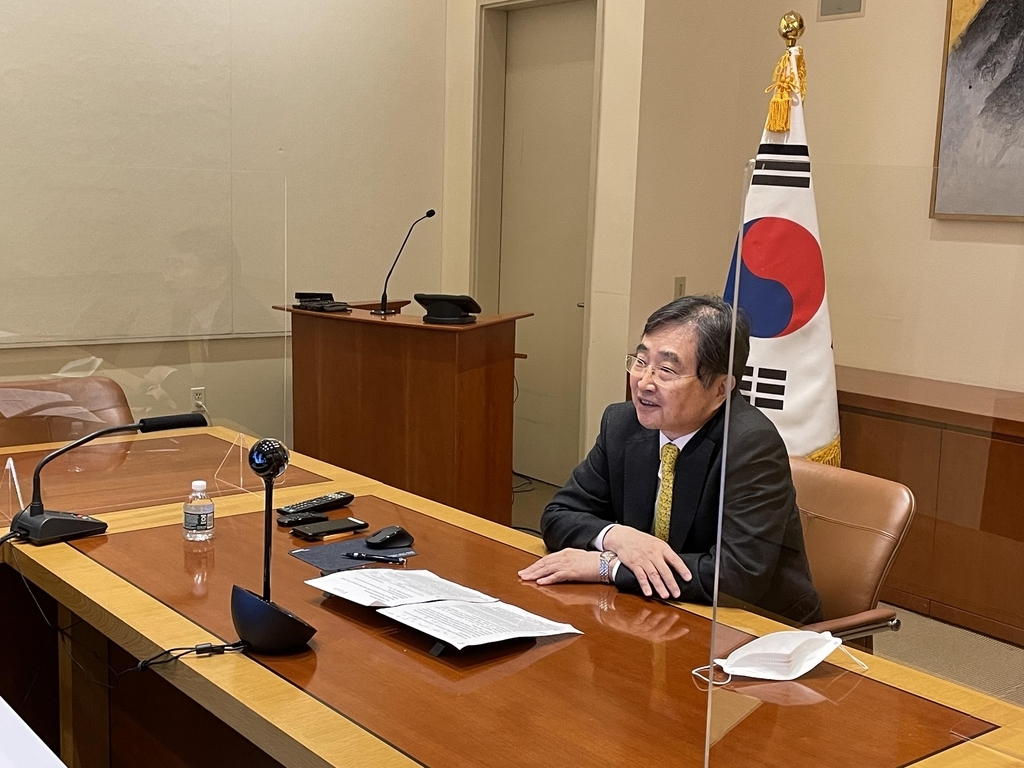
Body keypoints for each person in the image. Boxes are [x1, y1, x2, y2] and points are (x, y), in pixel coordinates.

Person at [518, 295, 822, 625]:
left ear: (721, 388)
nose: (644, 382)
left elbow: (736, 577)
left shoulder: (750, 447)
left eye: (666, 370)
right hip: (650, 614)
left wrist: (608, 566)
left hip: (751, 628)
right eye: (640, 361)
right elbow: (558, 515)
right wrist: (619, 537)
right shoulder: (622, 424)